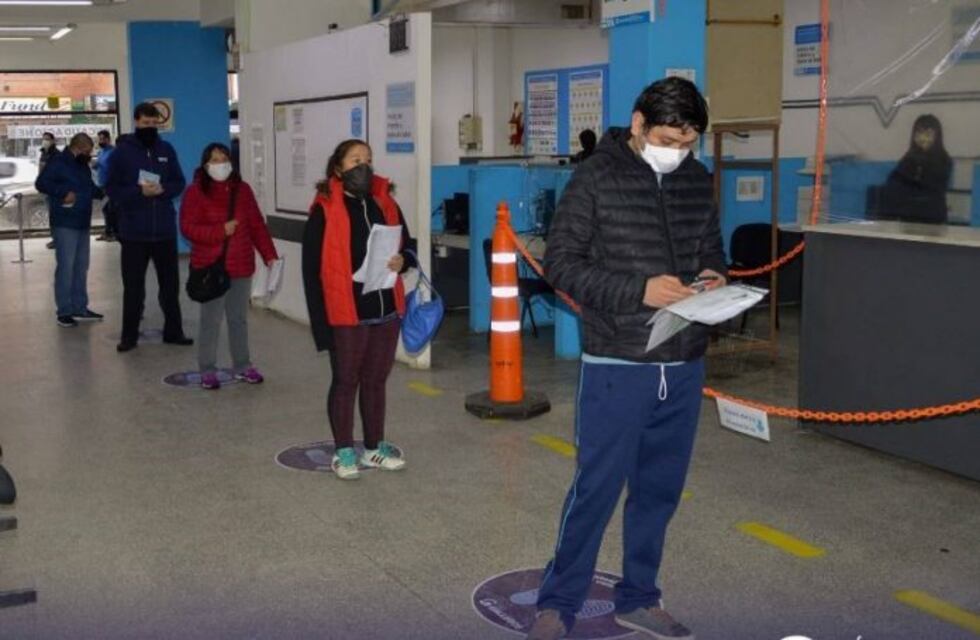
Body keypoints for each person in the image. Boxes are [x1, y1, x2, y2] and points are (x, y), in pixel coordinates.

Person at [526, 77, 726, 640]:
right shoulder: (594, 178)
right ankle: (556, 604)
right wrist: (638, 290)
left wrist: (715, 277)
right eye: (669, 139)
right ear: (639, 125)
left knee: (659, 490)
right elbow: (560, 264)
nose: (679, 152)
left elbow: (712, 249)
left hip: (683, 360)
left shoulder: (694, 178)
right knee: (596, 488)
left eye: (688, 143)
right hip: (618, 362)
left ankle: (640, 596)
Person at [301, 139, 417, 481]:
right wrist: (322, 328)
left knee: (376, 381)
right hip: (346, 312)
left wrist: (403, 260)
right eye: (355, 160)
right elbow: (311, 272)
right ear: (338, 168)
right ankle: (343, 451)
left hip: (384, 307)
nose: (363, 166)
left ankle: (374, 447)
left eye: (368, 159)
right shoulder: (325, 208)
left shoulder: (386, 203)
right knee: (346, 380)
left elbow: (407, 246)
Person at [180, 143, 279, 390]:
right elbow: (187, 228)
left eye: (224, 158)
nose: (220, 164)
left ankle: (243, 365)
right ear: (205, 164)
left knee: (238, 319)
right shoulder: (195, 192)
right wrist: (219, 232)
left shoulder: (242, 190)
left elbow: (256, 224)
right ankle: (207, 369)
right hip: (211, 267)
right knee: (210, 321)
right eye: (214, 160)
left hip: (242, 265)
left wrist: (270, 255)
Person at [106, 102, 192, 353]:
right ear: (136, 122)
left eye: (154, 124)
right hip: (134, 232)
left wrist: (165, 189)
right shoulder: (122, 152)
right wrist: (138, 192)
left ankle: (174, 332)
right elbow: (111, 188)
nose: (150, 127)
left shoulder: (166, 149)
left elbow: (179, 181)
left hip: (164, 230)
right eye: (146, 123)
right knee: (133, 288)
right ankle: (129, 336)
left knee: (170, 287)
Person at [35, 133, 105, 328]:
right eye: (87, 151)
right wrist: (62, 193)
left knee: (81, 267)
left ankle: (80, 308)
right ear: (78, 147)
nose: (89, 155)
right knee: (66, 267)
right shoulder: (58, 162)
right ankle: (64, 311)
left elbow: (88, 187)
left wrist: (104, 193)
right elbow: (41, 183)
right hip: (65, 222)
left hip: (83, 221)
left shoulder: (81, 164)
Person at [882, 114, 952, 224]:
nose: (923, 138)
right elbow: (894, 182)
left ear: (937, 137)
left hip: (933, 219)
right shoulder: (908, 158)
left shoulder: (943, 159)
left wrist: (922, 163)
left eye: (928, 134)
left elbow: (932, 187)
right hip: (909, 217)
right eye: (919, 133)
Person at [94, 129, 117, 241]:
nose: (100, 141)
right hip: (101, 185)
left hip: (110, 186)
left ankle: (113, 233)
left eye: (102, 139)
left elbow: (114, 168)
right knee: (105, 209)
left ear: (108, 139)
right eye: (99, 139)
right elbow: (100, 165)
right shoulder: (101, 152)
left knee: (111, 210)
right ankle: (107, 232)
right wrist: (95, 165)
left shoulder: (113, 152)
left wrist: (101, 165)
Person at [39, 132, 59, 250]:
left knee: (56, 215)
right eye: (43, 139)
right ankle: (55, 238)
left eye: (47, 139)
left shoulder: (56, 154)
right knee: (52, 216)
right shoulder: (43, 153)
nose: (45, 141)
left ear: (53, 141)